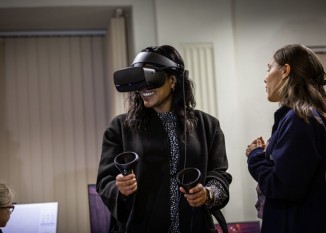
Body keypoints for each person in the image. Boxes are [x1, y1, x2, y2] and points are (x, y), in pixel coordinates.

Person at [96, 45, 232, 233]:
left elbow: (219, 175)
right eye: (140, 80)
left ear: (173, 80)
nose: (145, 87)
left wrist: (208, 193)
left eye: (151, 78)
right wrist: (120, 188)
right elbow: (105, 181)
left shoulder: (208, 126)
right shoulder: (120, 128)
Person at [245, 44, 326, 233]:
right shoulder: (302, 118)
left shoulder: (300, 120)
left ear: (285, 70)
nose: (265, 77)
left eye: (269, 69)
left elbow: (281, 187)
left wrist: (255, 157)